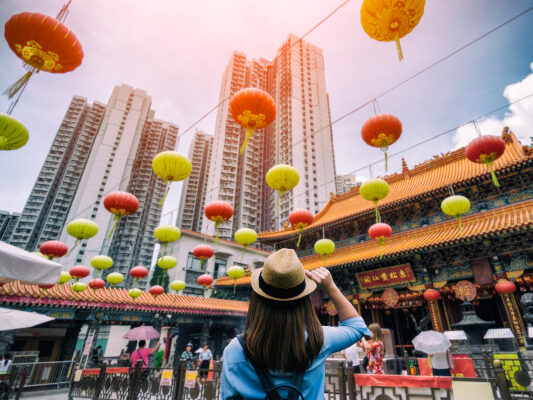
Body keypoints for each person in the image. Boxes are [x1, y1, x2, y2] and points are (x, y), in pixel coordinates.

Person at [220, 248, 370, 400]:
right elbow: (357, 326)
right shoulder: (318, 340)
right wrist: (331, 287)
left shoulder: (235, 349)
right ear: (304, 301)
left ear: (258, 301)